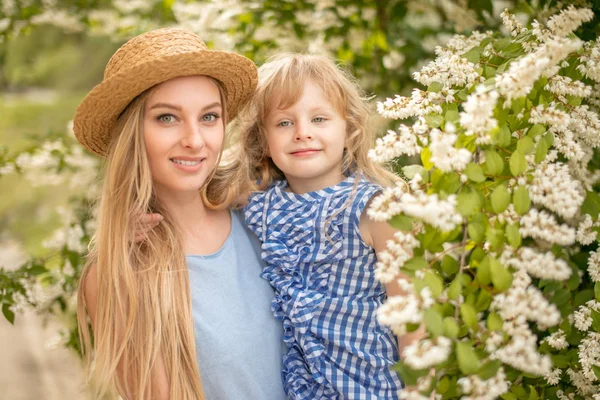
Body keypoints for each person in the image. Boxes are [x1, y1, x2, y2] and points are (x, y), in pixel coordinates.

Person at [73, 28, 285, 400]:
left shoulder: (265, 213)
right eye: (167, 118)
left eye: (209, 117)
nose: (194, 139)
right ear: (131, 134)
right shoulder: (121, 273)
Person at [239, 53, 421, 399]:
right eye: (283, 123)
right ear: (262, 140)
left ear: (348, 128)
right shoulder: (259, 204)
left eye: (319, 118)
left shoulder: (374, 209)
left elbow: (412, 314)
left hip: (373, 388)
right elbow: (193, 198)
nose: (302, 133)